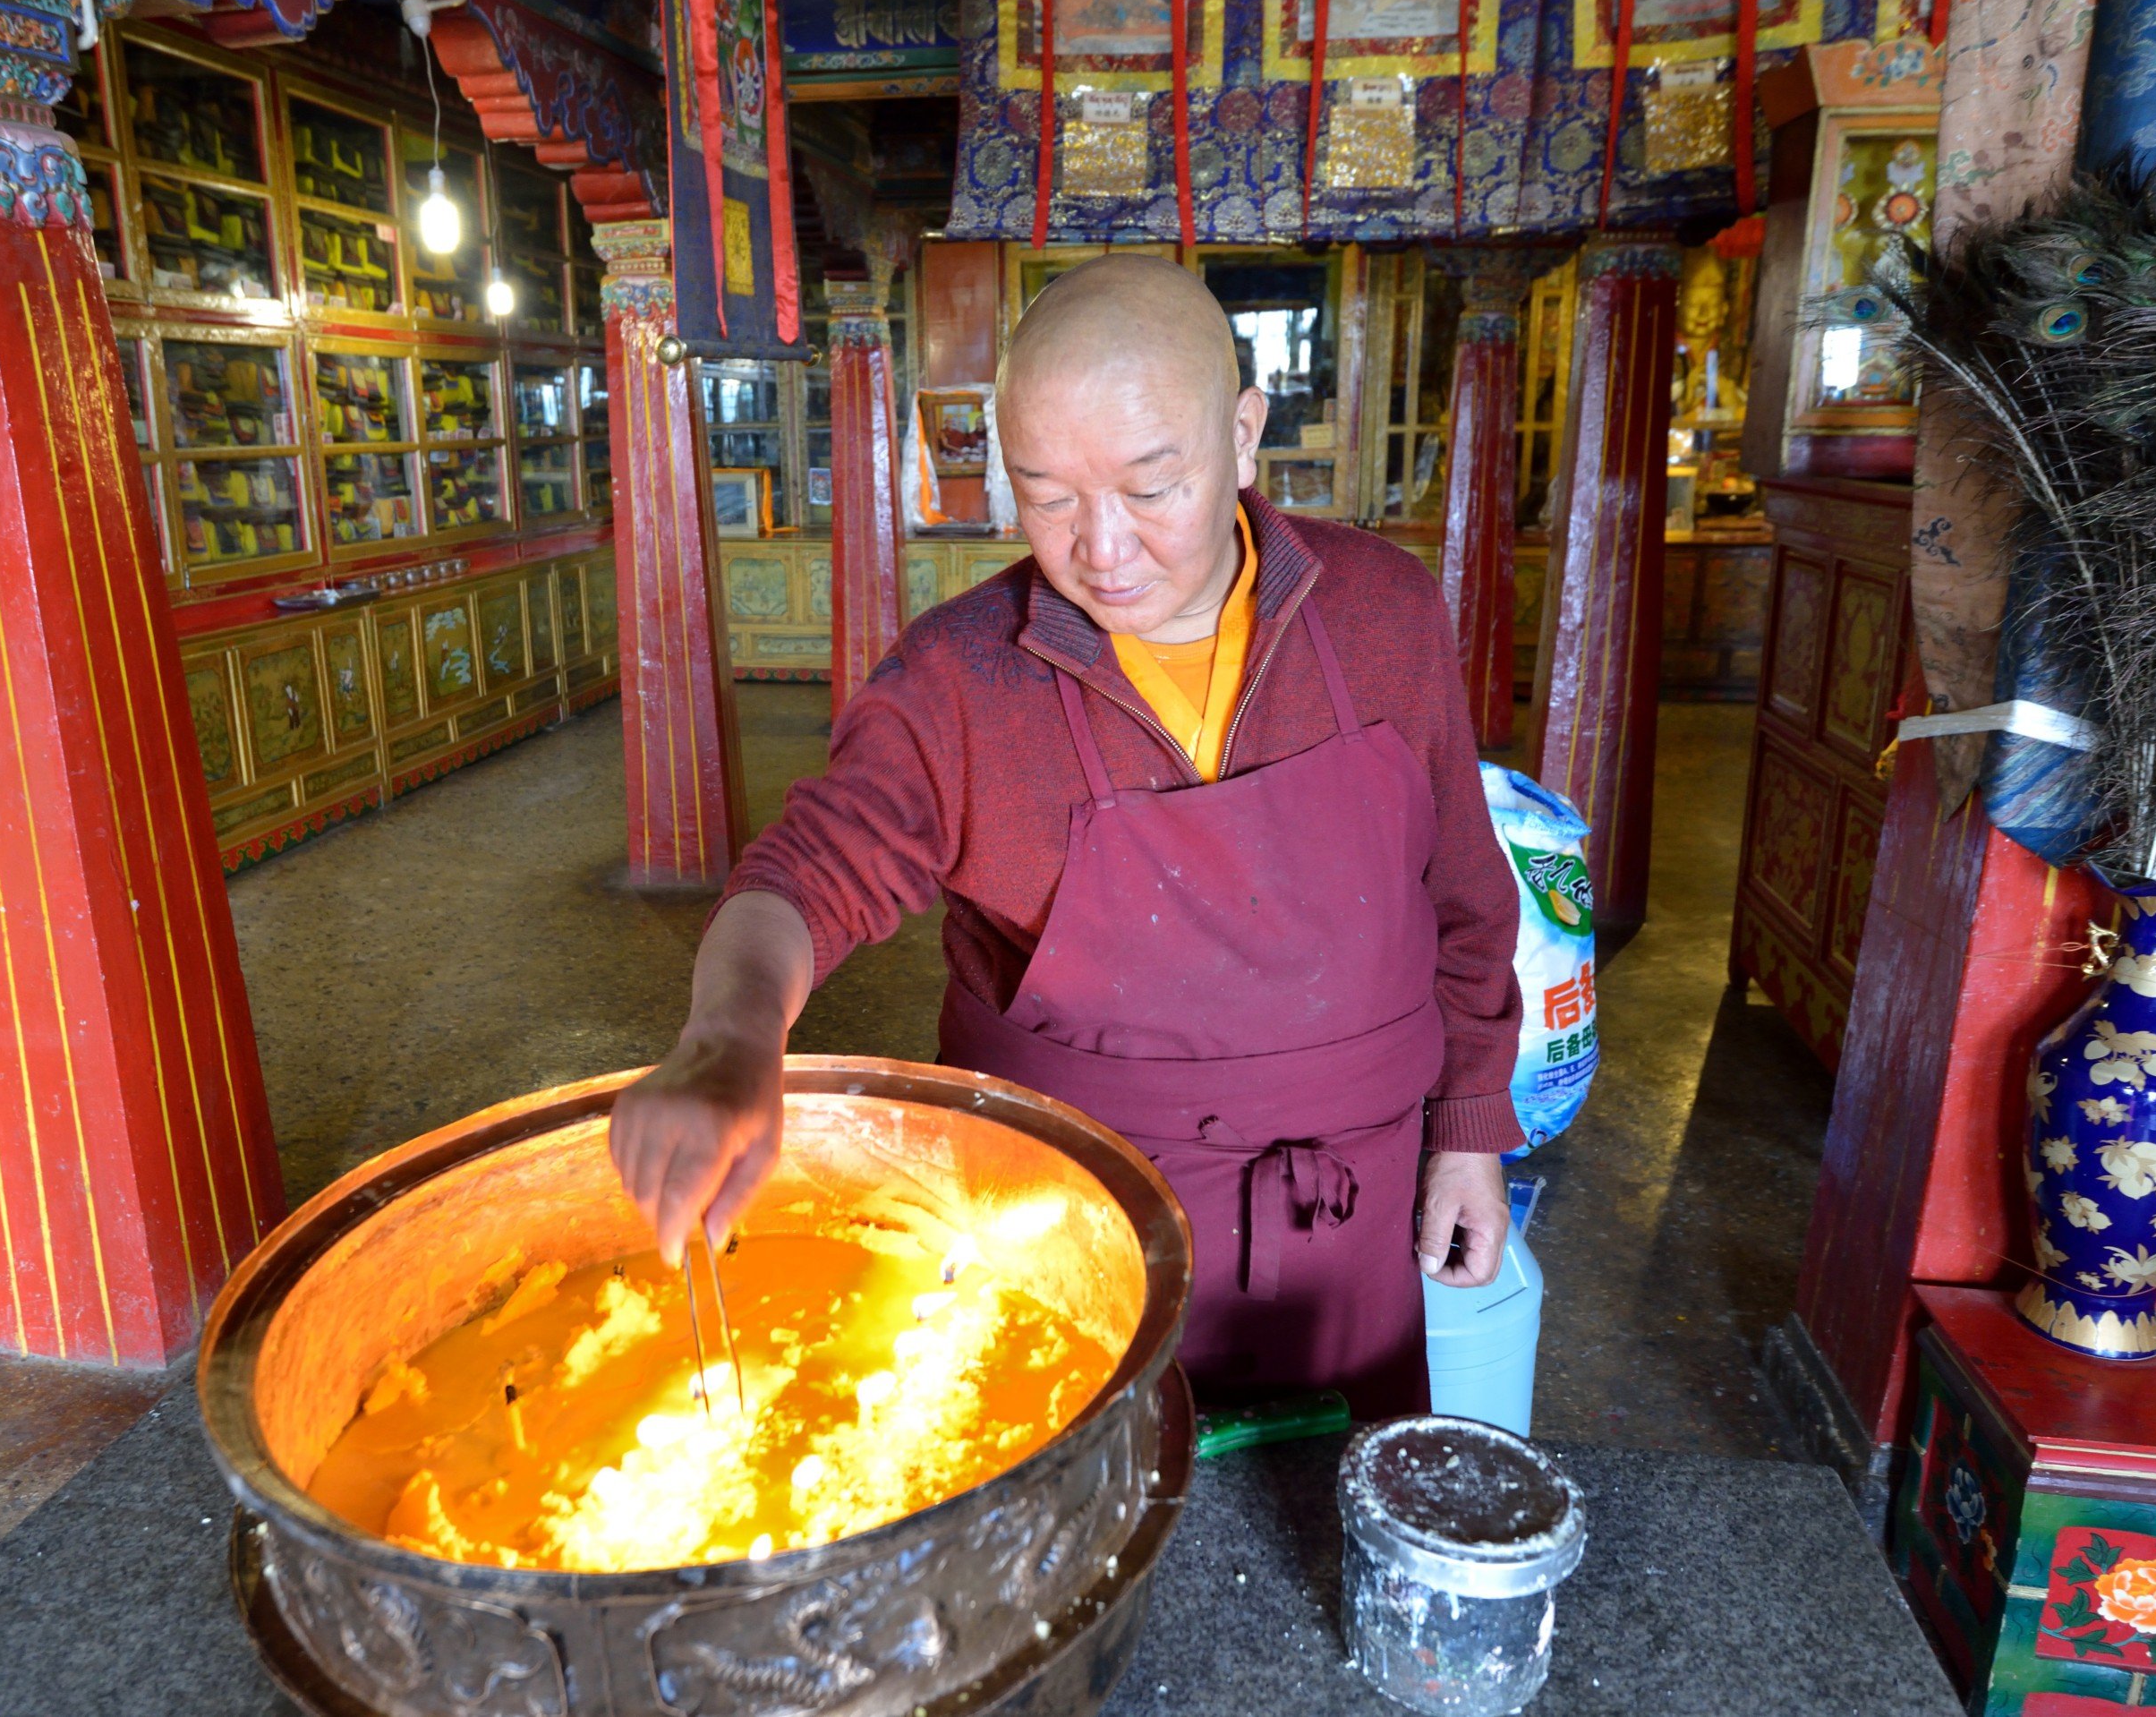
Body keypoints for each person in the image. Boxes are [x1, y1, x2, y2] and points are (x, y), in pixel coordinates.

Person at [610, 254, 1521, 1417]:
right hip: (1068, 1225)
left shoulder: (1386, 614)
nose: (1101, 548)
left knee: (1331, 1544)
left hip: (1349, 1214)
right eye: (1047, 494)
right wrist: (730, 1033)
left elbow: (1466, 897)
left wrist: (1470, 1134)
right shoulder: (964, 677)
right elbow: (812, 867)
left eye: (1151, 488)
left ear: (1244, 436)